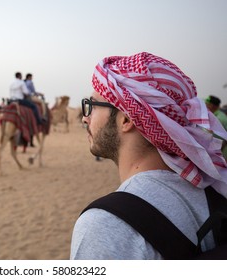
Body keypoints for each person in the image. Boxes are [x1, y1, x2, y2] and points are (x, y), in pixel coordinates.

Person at [71, 52, 227, 259]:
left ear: (126, 119)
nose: (85, 118)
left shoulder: (106, 224)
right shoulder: (215, 192)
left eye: (91, 106)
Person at [205, 95, 227, 159]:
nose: (205, 106)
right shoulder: (216, 116)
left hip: (221, 154)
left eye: (206, 104)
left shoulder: (219, 119)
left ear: (211, 105)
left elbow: (213, 138)